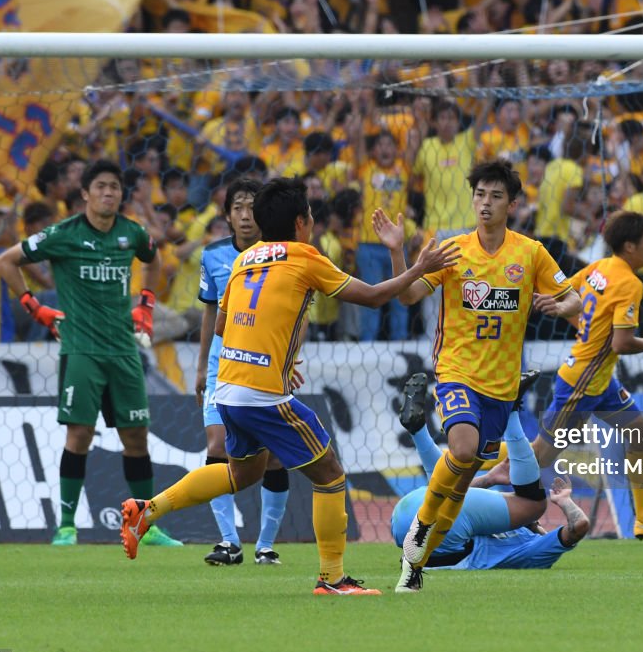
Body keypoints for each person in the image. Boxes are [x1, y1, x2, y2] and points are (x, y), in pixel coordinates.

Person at [120, 177, 459, 595]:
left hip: (228, 388)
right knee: (330, 474)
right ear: (301, 222)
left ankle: (148, 509)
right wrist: (419, 268)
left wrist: (272, 351)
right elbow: (373, 297)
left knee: (241, 473)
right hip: (263, 395)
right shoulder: (305, 257)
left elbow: (223, 324)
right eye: (311, 215)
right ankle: (332, 579)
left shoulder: (245, 259)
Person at [374, 158, 582, 593]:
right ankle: (420, 530)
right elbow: (408, 296)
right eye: (480, 195)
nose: (485, 203)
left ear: (512, 205)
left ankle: (415, 563)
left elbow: (575, 300)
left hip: (501, 387)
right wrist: (398, 252)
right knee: (464, 449)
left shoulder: (530, 253)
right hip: (456, 372)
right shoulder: (453, 251)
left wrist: (559, 306)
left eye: (496, 196)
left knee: (463, 479)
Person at [0, 159, 182, 548]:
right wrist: (35, 307)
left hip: (124, 351)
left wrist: (146, 304)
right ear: (85, 193)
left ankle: (145, 526)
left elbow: (154, 261)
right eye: (100, 186)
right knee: (79, 434)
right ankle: (66, 526)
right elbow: (6, 261)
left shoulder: (133, 233)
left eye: (114, 186)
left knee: (136, 436)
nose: (108, 193)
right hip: (81, 350)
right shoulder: (62, 234)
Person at [522, 211, 643, 541]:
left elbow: (568, 295)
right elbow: (621, 343)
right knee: (540, 455)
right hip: (582, 385)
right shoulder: (630, 284)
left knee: (641, 434)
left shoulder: (599, 268)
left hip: (600, 383)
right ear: (630, 246)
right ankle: (465, 464)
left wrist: (576, 319)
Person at [392, 373, 589, 572]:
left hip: (428, 527)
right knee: (446, 483)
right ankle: (419, 431)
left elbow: (579, 525)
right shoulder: (501, 525)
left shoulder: (531, 551)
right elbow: (457, 499)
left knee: (534, 505)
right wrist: (488, 479)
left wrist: (565, 501)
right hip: (406, 521)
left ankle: (510, 410)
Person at [195, 177, 290, 566]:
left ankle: (265, 545)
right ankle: (229, 542)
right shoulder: (212, 255)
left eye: (252, 207)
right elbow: (209, 313)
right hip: (221, 368)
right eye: (238, 208)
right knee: (217, 447)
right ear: (228, 215)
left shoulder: (280, 253)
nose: (246, 215)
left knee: (273, 457)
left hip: (265, 365)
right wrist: (201, 366)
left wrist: (290, 359)